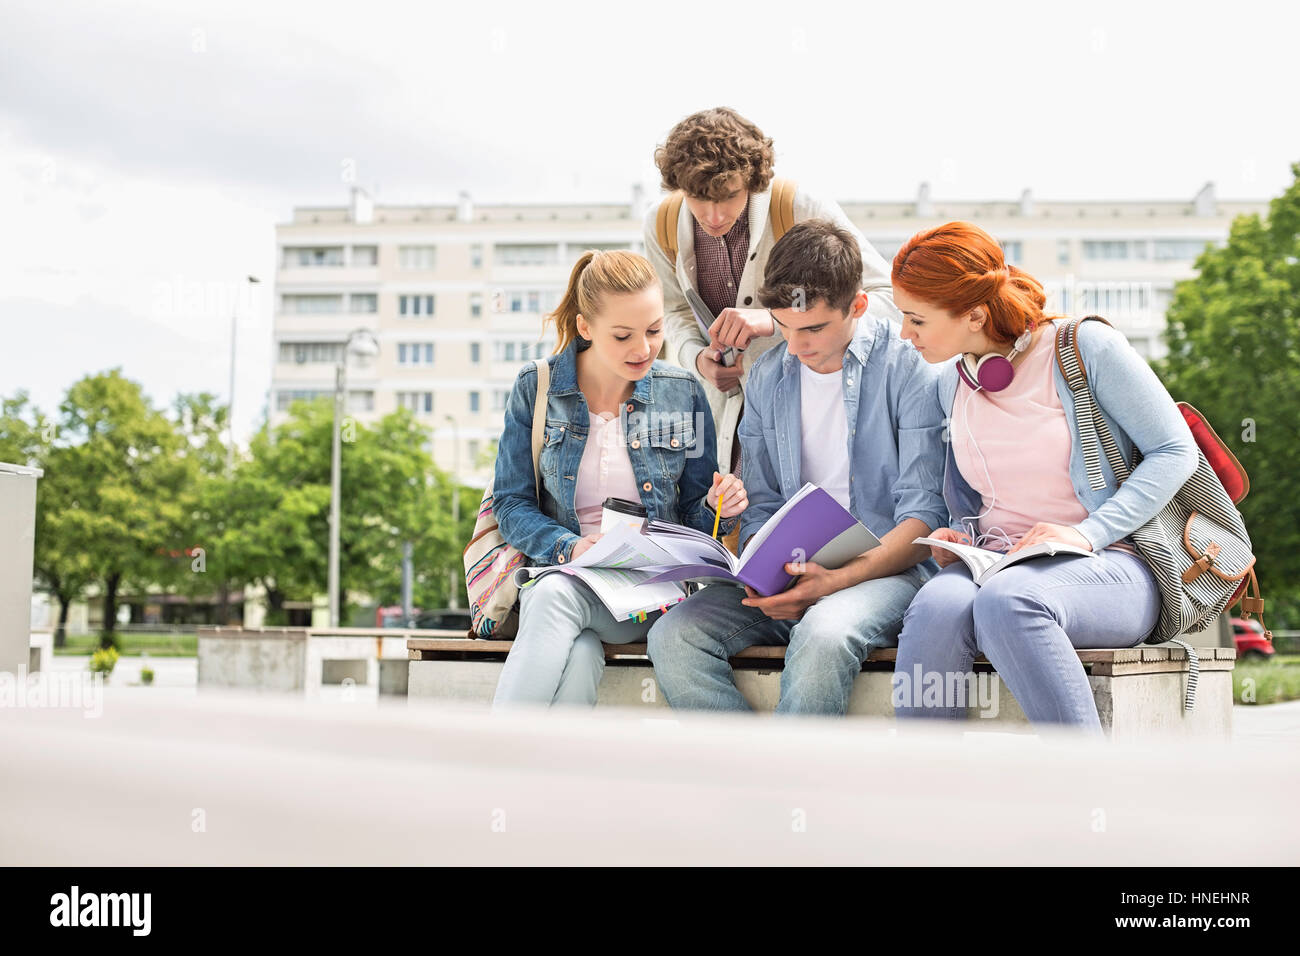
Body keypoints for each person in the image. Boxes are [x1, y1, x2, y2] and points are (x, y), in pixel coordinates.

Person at [890, 221, 1199, 731]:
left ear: (974, 315)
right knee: (935, 608)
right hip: (996, 562)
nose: (906, 333)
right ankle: (928, 793)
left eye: (916, 319)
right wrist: (959, 539)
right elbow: (983, 493)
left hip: (1112, 562)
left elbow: (1173, 451)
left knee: (1010, 603)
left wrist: (1085, 533)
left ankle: (1082, 790)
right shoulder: (952, 382)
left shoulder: (1084, 348)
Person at [646, 220, 947, 715]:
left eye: (813, 328)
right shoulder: (767, 376)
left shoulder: (908, 369)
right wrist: (770, 571)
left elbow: (923, 518)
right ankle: (754, 781)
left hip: (887, 573)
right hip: (794, 574)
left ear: (858, 306)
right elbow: (764, 503)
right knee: (675, 635)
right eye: (784, 327)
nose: (795, 346)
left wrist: (831, 582)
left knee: (823, 636)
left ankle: (794, 786)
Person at [491, 249, 748, 707]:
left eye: (653, 330)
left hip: (652, 595)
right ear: (586, 327)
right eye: (624, 335)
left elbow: (693, 518)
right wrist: (568, 547)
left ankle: (495, 762)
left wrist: (717, 510)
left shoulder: (682, 392)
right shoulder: (537, 387)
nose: (644, 348)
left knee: (553, 599)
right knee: (580, 645)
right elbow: (511, 504)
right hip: (568, 574)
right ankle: (553, 773)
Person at [644, 107, 900, 482]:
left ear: (752, 181)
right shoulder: (661, 224)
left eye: (729, 196)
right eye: (698, 197)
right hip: (722, 423)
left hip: (814, 415)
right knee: (731, 526)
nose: (714, 216)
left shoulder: (800, 207)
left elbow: (886, 298)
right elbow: (674, 310)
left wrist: (776, 318)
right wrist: (697, 358)